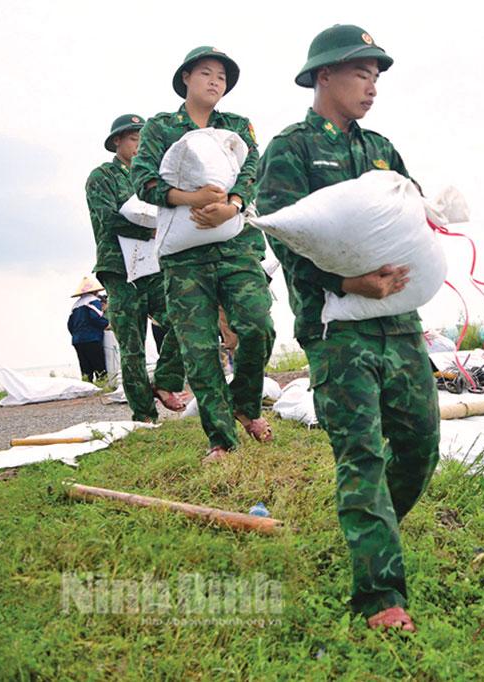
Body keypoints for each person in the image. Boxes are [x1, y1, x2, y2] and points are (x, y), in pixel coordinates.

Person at [255, 25, 439, 632]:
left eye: (377, 76)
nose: (372, 86)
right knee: (360, 454)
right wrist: (344, 284)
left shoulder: (382, 147)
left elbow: (410, 214)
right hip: (338, 329)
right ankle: (380, 597)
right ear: (324, 75)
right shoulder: (291, 149)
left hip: (399, 322)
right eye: (362, 73)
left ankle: (374, 530)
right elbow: (285, 235)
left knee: (417, 447)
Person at [131, 46, 275, 462]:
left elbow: (253, 170)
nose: (215, 82)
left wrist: (231, 205)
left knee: (256, 327)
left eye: (222, 78)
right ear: (186, 79)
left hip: (235, 246)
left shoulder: (235, 126)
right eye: (207, 74)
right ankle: (221, 438)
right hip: (184, 258)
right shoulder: (161, 128)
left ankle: (245, 403)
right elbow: (143, 181)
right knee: (197, 348)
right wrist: (189, 197)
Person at [86, 114, 187, 423]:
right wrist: (149, 230)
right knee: (131, 345)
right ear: (117, 141)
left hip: (155, 265)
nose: (139, 145)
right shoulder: (102, 176)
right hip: (119, 267)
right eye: (133, 139)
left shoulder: (152, 176)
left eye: (143, 140)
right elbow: (107, 217)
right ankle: (144, 415)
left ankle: (165, 381)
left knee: (184, 320)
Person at [68, 277, 109, 381]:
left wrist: (77, 334)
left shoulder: (76, 305)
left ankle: (88, 387)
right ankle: (102, 385)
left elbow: (70, 325)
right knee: (99, 366)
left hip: (77, 340)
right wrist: (107, 324)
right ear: (95, 291)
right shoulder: (93, 301)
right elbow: (95, 317)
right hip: (91, 338)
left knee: (85, 368)